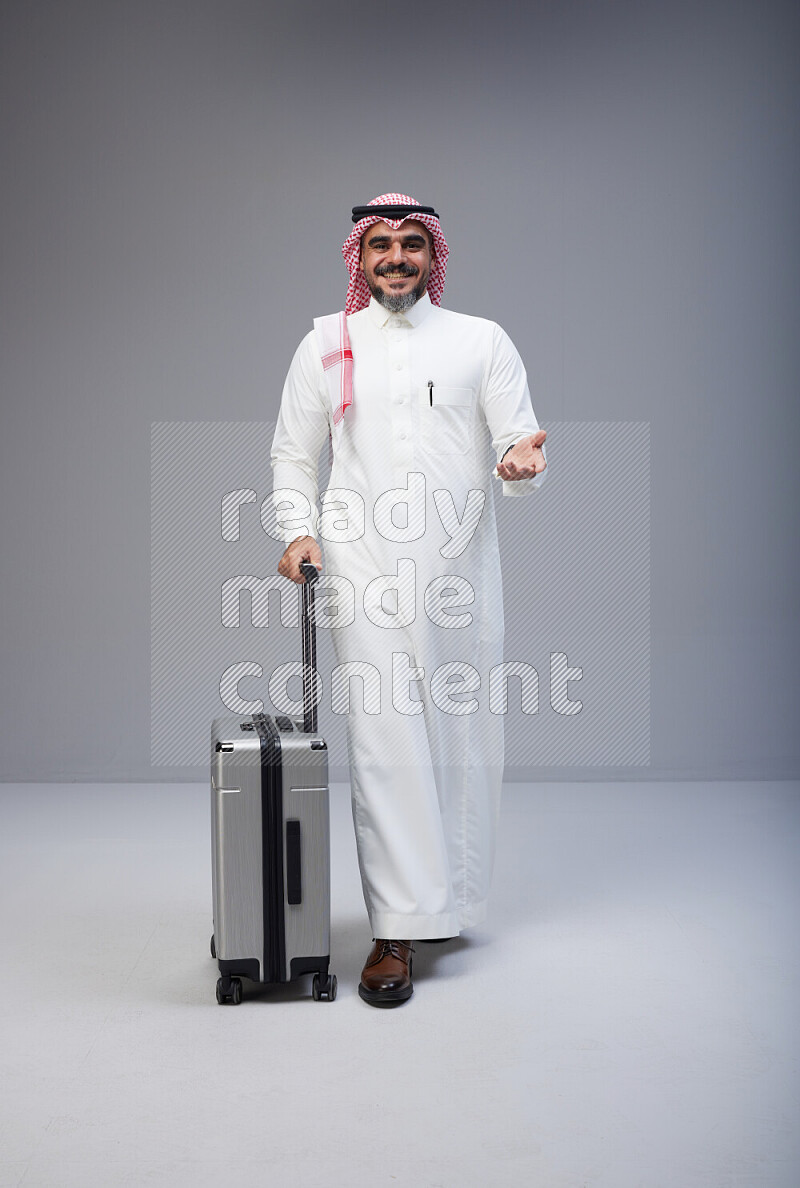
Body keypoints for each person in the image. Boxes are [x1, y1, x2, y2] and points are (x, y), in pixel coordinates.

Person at [271, 193, 547, 1006]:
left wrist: (521, 465)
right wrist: (296, 531)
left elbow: (515, 438)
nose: (396, 257)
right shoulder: (327, 342)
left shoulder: (480, 341)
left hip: (459, 571)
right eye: (381, 244)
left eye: (412, 244)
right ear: (359, 257)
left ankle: (448, 904)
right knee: (387, 737)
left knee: (462, 734)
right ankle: (395, 931)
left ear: (435, 256)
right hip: (361, 565)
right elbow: (294, 453)